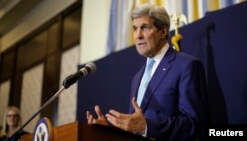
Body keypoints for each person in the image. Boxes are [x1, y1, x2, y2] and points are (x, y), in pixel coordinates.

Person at [86, 4, 209, 141]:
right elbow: (134, 130)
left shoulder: (186, 65)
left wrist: (147, 127)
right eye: (135, 29)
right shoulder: (137, 78)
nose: (138, 36)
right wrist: (108, 133)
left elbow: (195, 125)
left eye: (144, 27)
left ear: (163, 32)